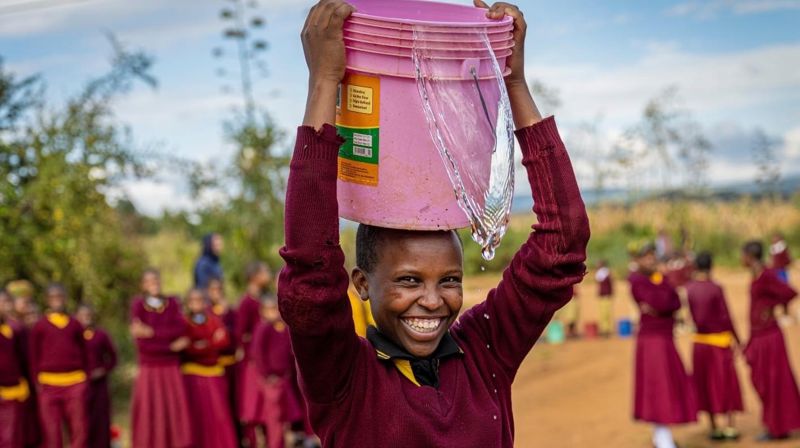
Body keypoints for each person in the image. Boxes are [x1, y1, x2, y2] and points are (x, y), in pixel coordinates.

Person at [277, 1, 589, 445]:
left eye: (449, 280)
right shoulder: (345, 379)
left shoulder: (484, 353)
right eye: (407, 279)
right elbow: (310, 272)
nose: (432, 300)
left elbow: (563, 247)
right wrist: (325, 81)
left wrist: (512, 81)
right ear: (362, 284)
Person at [629, 244, 696, 448]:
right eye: (646, 258)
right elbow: (660, 303)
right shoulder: (637, 280)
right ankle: (662, 438)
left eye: (652, 257)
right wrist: (662, 299)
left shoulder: (659, 279)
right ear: (639, 260)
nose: (650, 261)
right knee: (657, 387)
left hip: (665, 338)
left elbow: (675, 304)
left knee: (666, 386)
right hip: (652, 341)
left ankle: (660, 435)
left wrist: (661, 299)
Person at [741, 240, 800, 440]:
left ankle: (776, 428)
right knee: (761, 380)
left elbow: (790, 292)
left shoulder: (766, 275)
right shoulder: (757, 274)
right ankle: (776, 424)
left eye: (743, 255)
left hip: (770, 337)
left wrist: (771, 307)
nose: (741, 259)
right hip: (759, 336)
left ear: (750, 256)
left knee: (773, 381)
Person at [129, 269, 192, 448]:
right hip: (149, 367)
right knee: (150, 413)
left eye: (155, 279)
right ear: (143, 285)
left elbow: (180, 330)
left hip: (170, 367)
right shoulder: (138, 305)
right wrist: (170, 345)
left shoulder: (172, 303)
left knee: (173, 411)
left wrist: (152, 333)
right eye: (148, 281)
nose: (153, 283)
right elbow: (142, 345)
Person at [685, 252, 743, 441]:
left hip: (700, 343)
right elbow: (726, 316)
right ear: (711, 266)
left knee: (705, 383)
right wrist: (738, 340)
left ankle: (713, 427)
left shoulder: (690, 288)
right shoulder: (716, 288)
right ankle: (729, 427)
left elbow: (693, 316)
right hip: (719, 343)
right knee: (726, 382)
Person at [29, 283, 89, 448]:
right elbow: (33, 356)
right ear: (47, 300)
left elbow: (85, 353)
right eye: (53, 297)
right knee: (51, 432)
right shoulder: (40, 326)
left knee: (79, 429)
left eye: (60, 297)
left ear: (65, 299)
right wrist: (36, 382)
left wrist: (85, 379)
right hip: (49, 385)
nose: (57, 301)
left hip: (75, 383)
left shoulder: (75, 324)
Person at [181, 288, 238, 448]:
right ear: (188, 303)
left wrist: (203, 344)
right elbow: (188, 348)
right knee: (198, 416)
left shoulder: (213, 320)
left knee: (219, 414)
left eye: (200, 300)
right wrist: (210, 342)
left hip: (214, 373)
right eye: (193, 300)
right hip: (193, 376)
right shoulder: (184, 322)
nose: (197, 304)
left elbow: (224, 340)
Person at [252, 295, 305, 448]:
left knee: (286, 416)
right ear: (262, 312)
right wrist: (267, 375)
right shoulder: (263, 328)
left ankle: (286, 442)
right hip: (271, 380)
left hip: (285, 378)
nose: (273, 313)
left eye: (275, 309)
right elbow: (258, 354)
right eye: (269, 310)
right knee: (274, 418)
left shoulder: (283, 327)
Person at [236, 261, 272, 447]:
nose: (268, 274)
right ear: (254, 276)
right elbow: (241, 334)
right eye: (264, 271)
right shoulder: (246, 303)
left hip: (267, 361)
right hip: (253, 363)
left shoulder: (264, 299)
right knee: (253, 408)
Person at [75, 304, 117, 448]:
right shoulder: (73, 335)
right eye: (82, 315)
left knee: (100, 418)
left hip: (99, 385)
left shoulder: (101, 335)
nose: (85, 318)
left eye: (88, 315)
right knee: (82, 419)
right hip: (79, 384)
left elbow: (113, 358)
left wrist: (103, 370)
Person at [206, 276, 239, 436]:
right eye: (212, 290)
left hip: (231, 365)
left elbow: (236, 336)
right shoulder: (205, 312)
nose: (216, 293)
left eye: (218, 289)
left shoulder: (230, 311)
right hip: (213, 366)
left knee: (234, 404)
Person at [0, 289, 29, 448]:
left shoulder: (17, 329)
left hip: (12, 391)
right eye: (2, 302)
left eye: (6, 302)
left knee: (10, 436)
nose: (4, 306)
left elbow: (25, 359)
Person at [595, 260, 614, 337]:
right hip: (604, 295)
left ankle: (606, 329)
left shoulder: (604, 273)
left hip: (605, 295)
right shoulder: (604, 273)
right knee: (604, 313)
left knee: (606, 313)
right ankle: (605, 329)